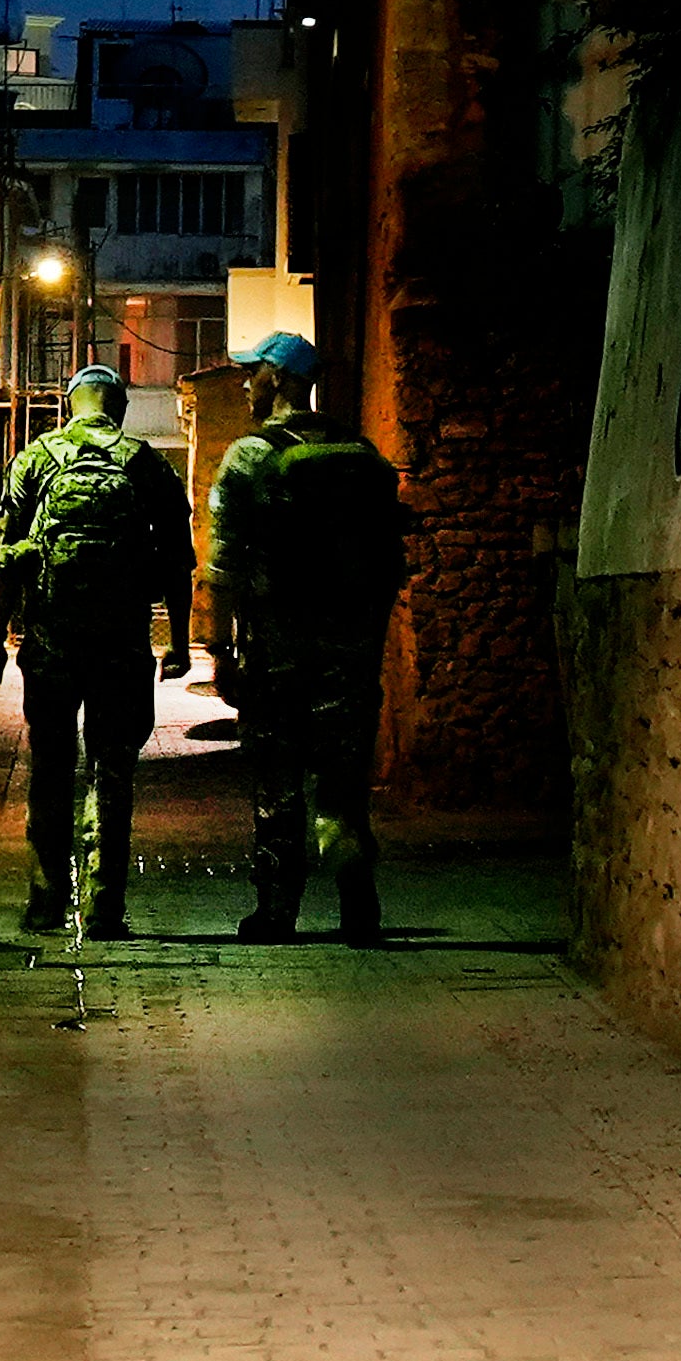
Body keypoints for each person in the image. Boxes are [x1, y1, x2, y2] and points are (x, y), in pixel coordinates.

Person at [0, 365, 191, 937]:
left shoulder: (36, 461)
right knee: (113, 767)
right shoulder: (146, 464)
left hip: (50, 643)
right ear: (118, 407)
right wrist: (179, 642)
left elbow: (7, 558)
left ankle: (46, 901)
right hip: (120, 644)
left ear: (71, 406)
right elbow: (178, 560)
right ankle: (103, 907)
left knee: (50, 768)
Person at [206, 327, 405, 942]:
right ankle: (358, 904)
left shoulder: (249, 456)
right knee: (343, 784)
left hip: (279, 650)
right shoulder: (363, 453)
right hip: (350, 650)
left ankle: (275, 911)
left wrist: (219, 648)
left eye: (255, 371)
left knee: (278, 779)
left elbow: (222, 564)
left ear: (282, 379)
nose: (245, 382)